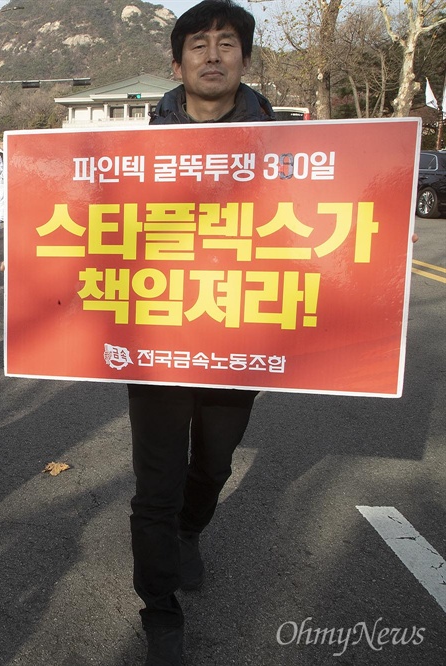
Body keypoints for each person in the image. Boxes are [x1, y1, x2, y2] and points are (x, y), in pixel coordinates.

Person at [129, 2, 274, 665]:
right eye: (198, 45)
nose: (212, 55)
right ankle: (160, 612)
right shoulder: (140, 147)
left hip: (237, 337)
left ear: (243, 57)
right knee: (153, 485)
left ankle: (192, 528)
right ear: (178, 61)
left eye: (226, 44)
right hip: (156, 341)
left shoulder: (286, 148)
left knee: (214, 462)